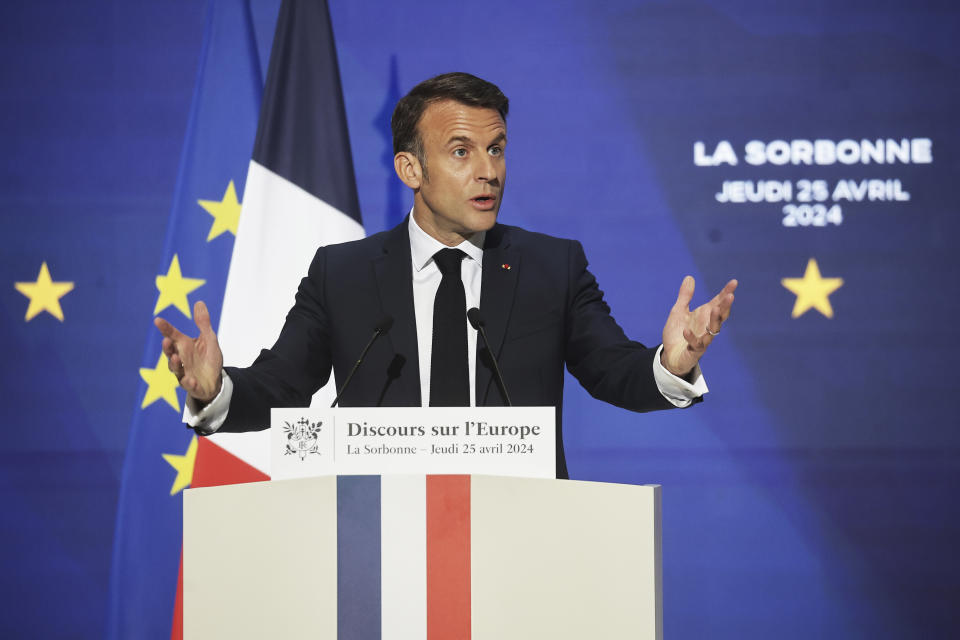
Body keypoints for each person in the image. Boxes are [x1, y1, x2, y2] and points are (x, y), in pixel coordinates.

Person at [155, 72, 736, 478]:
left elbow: (615, 373)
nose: (488, 171)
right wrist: (216, 390)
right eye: (462, 151)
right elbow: (282, 386)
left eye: (497, 148)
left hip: (522, 541)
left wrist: (671, 365)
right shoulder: (344, 275)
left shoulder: (551, 268)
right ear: (411, 167)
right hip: (383, 546)